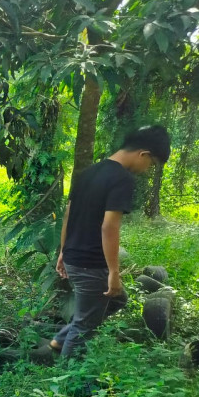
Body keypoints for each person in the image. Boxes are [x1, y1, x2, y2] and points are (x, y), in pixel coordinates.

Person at [50, 125, 171, 357]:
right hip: (91, 263)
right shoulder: (122, 178)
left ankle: (59, 341)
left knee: (118, 300)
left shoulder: (90, 172)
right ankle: (68, 384)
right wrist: (113, 272)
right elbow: (109, 226)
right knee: (84, 327)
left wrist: (64, 251)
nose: (147, 170)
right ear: (143, 154)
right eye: (151, 164)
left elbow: (68, 214)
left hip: (76, 257)